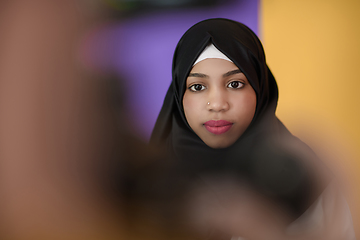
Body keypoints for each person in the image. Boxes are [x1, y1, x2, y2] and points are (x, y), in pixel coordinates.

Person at [150, 18, 356, 239]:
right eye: (198, 87)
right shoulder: (146, 183)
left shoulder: (305, 176)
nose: (218, 104)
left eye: (235, 84)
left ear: (260, 88)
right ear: (179, 94)